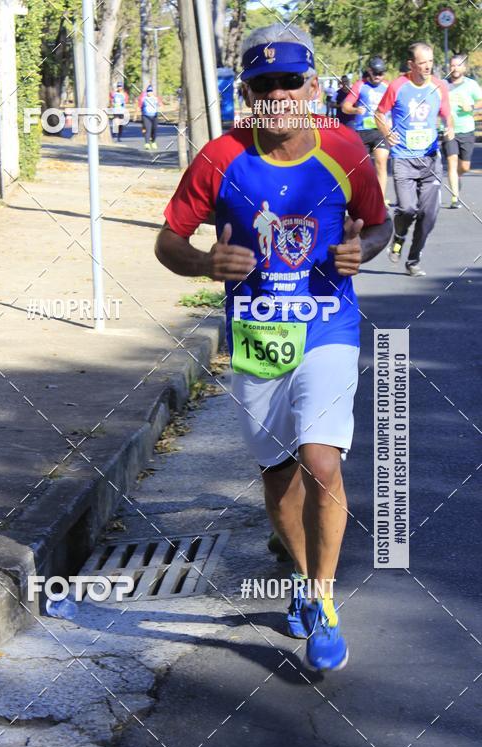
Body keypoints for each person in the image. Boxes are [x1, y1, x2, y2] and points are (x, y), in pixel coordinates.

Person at [155, 24, 391, 672]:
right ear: (248, 92)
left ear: (312, 84)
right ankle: (294, 564)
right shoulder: (219, 159)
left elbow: (380, 224)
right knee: (278, 474)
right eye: (264, 84)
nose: (280, 94)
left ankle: (322, 597)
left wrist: (360, 250)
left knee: (321, 461)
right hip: (257, 336)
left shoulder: (345, 150)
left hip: (327, 328)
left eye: (291, 80)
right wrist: (206, 263)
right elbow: (167, 241)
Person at [375, 41, 454, 276]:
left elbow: (447, 115)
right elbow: (380, 113)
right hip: (403, 159)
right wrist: (386, 131)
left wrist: (449, 128)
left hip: (430, 159)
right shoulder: (398, 86)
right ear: (411, 64)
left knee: (429, 214)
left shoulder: (439, 86)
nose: (427, 67)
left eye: (430, 62)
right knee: (408, 209)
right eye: (422, 63)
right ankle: (399, 237)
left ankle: (413, 259)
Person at [342, 56, 390, 203]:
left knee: (381, 163)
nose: (378, 76)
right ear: (369, 71)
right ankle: (361, 198)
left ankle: (380, 201)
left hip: (380, 131)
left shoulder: (388, 87)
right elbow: (345, 107)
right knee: (362, 169)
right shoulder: (360, 85)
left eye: (381, 73)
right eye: (375, 73)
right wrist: (356, 110)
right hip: (362, 132)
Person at [443, 53, 482, 208]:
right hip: (449, 129)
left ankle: (457, 177)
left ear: (464, 67)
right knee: (452, 162)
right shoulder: (443, 85)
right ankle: (455, 197)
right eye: (452, 65)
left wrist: (470, 107)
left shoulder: (471, 85)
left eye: (458, 65)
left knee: (464, 166)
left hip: (467, 129)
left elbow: (480, 102)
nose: (455, 68)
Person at [138, 85, 161, 150]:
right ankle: (147, 143)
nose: (149, 92)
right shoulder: (144, 98)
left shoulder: (156, 98)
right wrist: (136, 115)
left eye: (150, 91)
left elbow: (161, 105)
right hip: (146, 116)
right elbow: (139, 106)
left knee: (154, 130)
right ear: (146, 92)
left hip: (154, 116)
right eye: (148, 91)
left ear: (153, 92)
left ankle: (153, 142)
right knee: (148, 129)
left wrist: (160, 108)